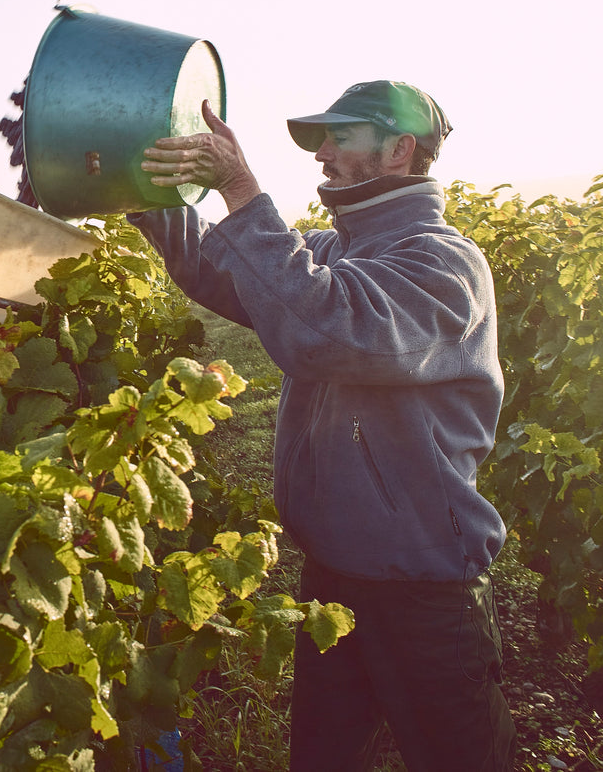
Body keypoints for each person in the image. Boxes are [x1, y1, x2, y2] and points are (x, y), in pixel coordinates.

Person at [130, 81, 515, 771]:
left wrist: (242, 189)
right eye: (320, 140)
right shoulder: (336, 252)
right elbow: (219, 268)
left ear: (399, 150)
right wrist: (135, 188)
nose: (323, 154)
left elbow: (321, 327)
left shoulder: (443, 264)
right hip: (334, 579)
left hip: (423, 593)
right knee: (323, 759)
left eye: (341, 137)